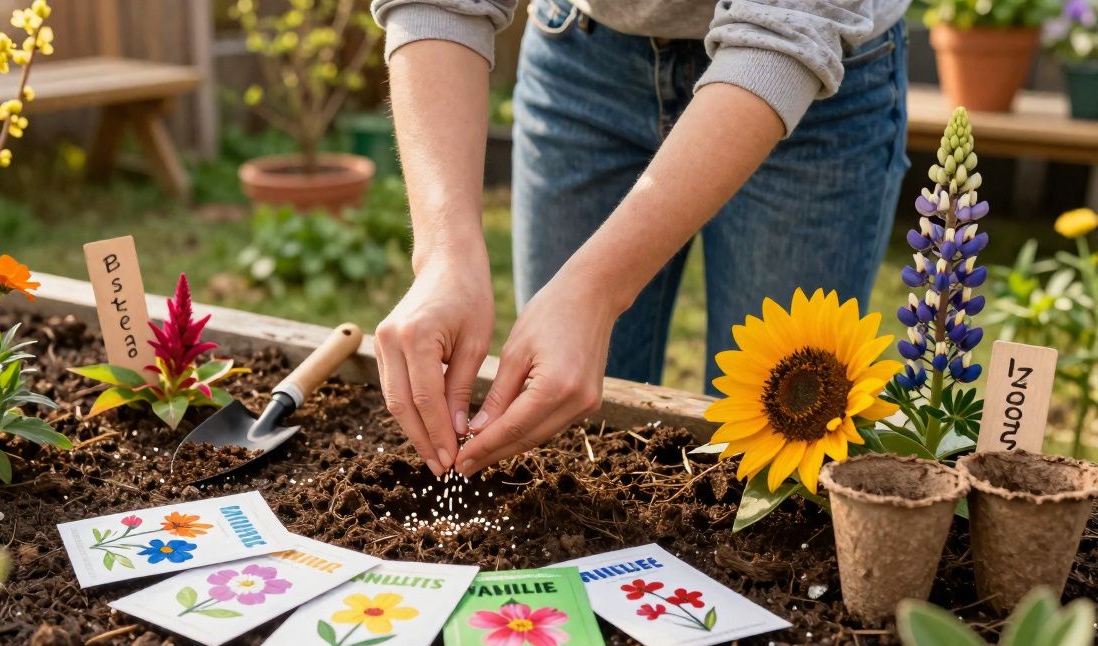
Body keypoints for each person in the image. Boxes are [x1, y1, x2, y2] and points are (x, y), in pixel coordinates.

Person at [369, 0, 910, 478]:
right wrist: (444, 253)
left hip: (805, 74)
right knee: (569, 436)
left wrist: (595, 289)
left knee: (775, 444)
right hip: (582, 56)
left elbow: (788, 27)